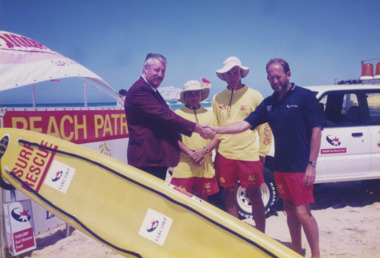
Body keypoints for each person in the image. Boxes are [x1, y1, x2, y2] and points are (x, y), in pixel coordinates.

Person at [211, 58, 325, 258]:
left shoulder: (305, 96)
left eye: (278, 76)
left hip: (300, 166)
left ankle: (316, 254)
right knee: (289, 210)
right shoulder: (269, 103)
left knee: (302, 213)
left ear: (288, 75)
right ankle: (296, 251)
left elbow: (317, 132)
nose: (275, 80)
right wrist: (216, 129)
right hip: (281, 166)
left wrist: (311, 165)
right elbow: (245, 124)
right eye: (271, 77)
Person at [124, 53, 215, 180]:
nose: (160, 75)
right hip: (146, 160)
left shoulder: (151, 90)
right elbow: (165, 116)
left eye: (163, 71)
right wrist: (198, 128)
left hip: (155, 159)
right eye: (157, 70)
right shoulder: (140, 90)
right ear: (145, 68)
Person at [212, 56, 272, 233]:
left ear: (240, 73)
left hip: (249, 155)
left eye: (235, 72)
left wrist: (263, 152)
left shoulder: (254, 95)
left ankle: (261, 234)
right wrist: (214, 153)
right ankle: (236, 234)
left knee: (255, 195)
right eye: (228, 73)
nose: (232, 76)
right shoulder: (217, 98)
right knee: (229, 195)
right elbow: (217, 128)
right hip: (225, 154)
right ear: (223, 76)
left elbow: (265, 126)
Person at [171, 80, 220, 200]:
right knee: (179, 201)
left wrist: (204, 151)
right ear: (185, 96)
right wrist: (191, 154)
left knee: (203, 202)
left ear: (201, 95)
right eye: (190, 94)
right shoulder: (177, 114)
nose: (194, 97)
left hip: (205, 165)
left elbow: (217, 137)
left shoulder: (210, 115)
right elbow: (174, 138)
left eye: (196, 94)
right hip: (183, 166)